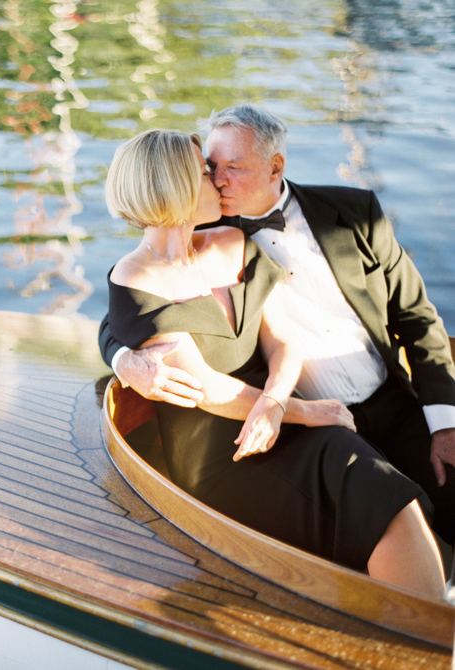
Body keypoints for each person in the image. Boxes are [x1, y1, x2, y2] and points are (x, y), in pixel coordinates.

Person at [104, 128, 444, 598]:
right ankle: (420, 635)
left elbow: (283, 341)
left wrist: (280, 404)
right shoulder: (134, 276)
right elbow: (204, 386)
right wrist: (300, 410)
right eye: (207, 171)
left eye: (225, 170)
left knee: (389, 493)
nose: (219, 182)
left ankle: (428, 620)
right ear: (177, 185)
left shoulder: (234, 242)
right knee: (372, 488)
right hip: (221, 450)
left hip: (280, 416)